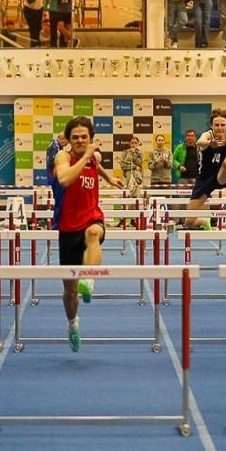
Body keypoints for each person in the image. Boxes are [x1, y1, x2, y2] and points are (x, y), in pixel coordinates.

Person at [53, 116, 125, 351]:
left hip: (91, 216)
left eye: (84, 137)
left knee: (94, 233)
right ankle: (73, 324)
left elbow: (98, 166)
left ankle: (90, 279)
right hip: (67, 226)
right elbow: (64, 179)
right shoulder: (63, 157)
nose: (80, 140)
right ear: (69, 140)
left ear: (91, 138)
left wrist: (109, 178)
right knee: (69, 292)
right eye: (75, 137)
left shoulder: (94, 157)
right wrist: (84, 157)